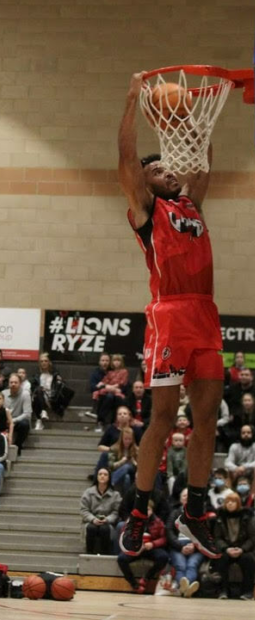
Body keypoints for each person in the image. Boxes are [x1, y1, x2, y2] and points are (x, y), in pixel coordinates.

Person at [118, 72, 225, 560]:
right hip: (169, 316)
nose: (169, 171)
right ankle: (139, 512)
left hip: (205, 315)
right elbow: (125, 159)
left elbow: (202, 162)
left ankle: (196, 510)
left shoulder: (192, 205)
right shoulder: (145, 212)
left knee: (207, 421)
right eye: (158, 169)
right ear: (145, 182)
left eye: (169, 167)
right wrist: (131, 103)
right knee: (161, 420)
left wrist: (197, 115)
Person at [117, 501, 169, 593]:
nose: (145, 512)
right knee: (121, 559)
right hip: (135, 547)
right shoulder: (131, 520)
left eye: (148, 509)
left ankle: (146, 578)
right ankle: (134, 584)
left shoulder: (158, 521)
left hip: (150, 548)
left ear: (152, 511)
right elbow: (124, 535)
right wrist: (133, 545)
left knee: (163, 557)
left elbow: (163, 538)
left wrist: (153, 544)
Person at [213, 492, 255, 600]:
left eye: (233, 501)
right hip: (227, 548)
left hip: (243, 548)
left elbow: (252, 537)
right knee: (222, 558)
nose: (230, 504)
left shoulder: (247, 516)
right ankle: (223, 591)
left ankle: (247, 592)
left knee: (248, 559)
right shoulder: (220, 517)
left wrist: (242, 549)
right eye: (228, 502)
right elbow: (217, 538)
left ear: (238, 503)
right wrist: (226, 549)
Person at [166, 488, 204, 598]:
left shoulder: (201, 514)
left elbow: (206, 533)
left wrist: (194, 546)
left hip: (197, 547)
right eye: (184, 496)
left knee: (192, 565)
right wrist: (180, 547)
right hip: (178, 546)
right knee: (180, 566)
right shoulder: (174, 513)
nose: (187, 498)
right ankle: (187, 589)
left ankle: (185, 588)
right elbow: (169, 531)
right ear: (180, 499)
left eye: (189, 496)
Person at [80, 468, 121, 555]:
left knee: (104, 529)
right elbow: (84, 510)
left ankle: (105, 554)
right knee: (91, 528)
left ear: (109, 478)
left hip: (107, 522)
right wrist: (93, 519)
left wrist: (107, 519)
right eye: (100, 474)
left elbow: (116, 512)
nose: (102, 476)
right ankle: (89, 553)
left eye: (105, 474)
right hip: (91, 521)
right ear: (97, 477)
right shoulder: (88, 492)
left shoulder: (115, 494)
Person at [3, 374, 32, 455]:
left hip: (18, 421)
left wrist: (13, 420)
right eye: (11, 382)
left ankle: (17, 446)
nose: (13, 384)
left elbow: (27, 414)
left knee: (25, 424)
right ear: (8, 384)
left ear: (20, 384)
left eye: (15, 382)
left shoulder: (25, 394)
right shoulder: (3, 394)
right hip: (5, 421)